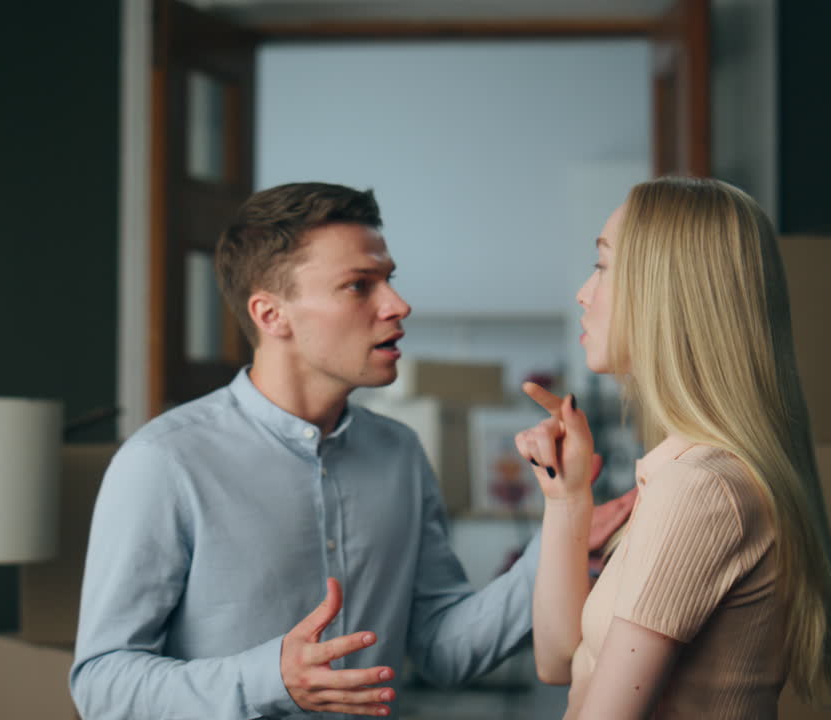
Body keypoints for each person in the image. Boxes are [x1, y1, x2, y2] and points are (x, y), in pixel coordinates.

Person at [69, 182, 632, 719]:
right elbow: (101, 685)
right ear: (271, 315)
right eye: (359, 286)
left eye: (389, 279)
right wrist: (270, 679)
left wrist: (559, 543)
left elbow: (442, 649)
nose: (398, 304)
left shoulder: (399, 453)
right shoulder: (164, 462)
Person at [515, 177, 831, 719]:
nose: (583, 292)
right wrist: (567, 496)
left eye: (602, 266)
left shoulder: (701, 487)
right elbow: (558, 662)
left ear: (665, 293)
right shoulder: (684, 472)